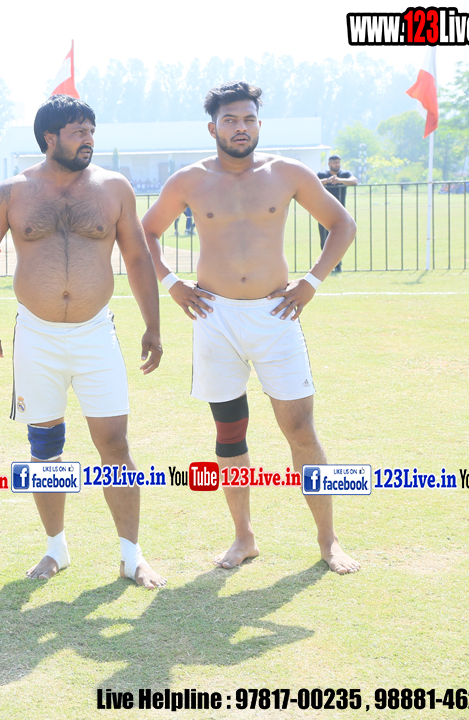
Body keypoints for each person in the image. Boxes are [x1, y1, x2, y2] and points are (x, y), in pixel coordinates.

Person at [140, 81, 360, 575]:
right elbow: (144, 231)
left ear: (259, 124)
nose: (240, 128)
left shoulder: (287, 173)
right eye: (230, 120)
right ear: (212, 128)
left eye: (248, 119)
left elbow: (342, 224)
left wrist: (311, 282)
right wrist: (172, 283)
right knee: (229, 433)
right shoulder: (190, 180)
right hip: (213, 317)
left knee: (300, 429)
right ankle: (244, 537)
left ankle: (329, 541)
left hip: (276, 315)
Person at [0, 95, 166, 589]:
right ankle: (56, 549)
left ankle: (131, 556)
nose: (88, 139)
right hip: (37, 335)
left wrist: (153, 325)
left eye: (91, 130)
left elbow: (138, 258)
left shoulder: (113, 188)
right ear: (50, 138)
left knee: (114, 443)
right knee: (45, 446)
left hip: (96, 333)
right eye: (78, 131)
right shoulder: (12, 192)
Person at [317, 155, 357, 273]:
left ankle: (338, 266)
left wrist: (339, 180)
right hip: (323, 212)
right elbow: (313, 183)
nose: (337, 164)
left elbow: (354, 181)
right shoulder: (322, 174)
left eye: (339, 162)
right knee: (324, 241)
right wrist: (327, 181)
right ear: (329, 164)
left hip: (340, 214)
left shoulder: (344, 174)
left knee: (339, 240)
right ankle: (327, 266)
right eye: (335, 162)